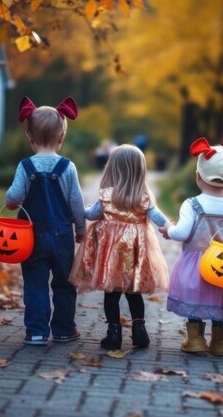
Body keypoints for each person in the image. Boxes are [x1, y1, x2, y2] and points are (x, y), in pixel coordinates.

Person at [158, 137, 223, 356]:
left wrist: (168, 230)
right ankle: (220, 343)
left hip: (198, 264)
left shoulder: (192, 204)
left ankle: (195, 339)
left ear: (198, 176)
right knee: (222, 304)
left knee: (196, 300)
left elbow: (181, 233)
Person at [70, 144, 170, 350]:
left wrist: (81, 207)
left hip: (110, 255)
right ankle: (139, 331)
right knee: (133, 291)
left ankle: (113, 333)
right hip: (134, 252)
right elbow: (157, 217)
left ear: (112, 169)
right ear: (140, 170)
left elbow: (91, 215)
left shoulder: (107, 195)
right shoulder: (143, 197)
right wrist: (170, 227)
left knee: (111, 294)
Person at [6, 96, 86, 346]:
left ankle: (37, 331)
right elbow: (76, 204)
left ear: (29, 137)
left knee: (35, 283)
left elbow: (15, 196)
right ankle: (63, 330)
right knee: (64, 284)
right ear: (61, 137)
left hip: (32, 237)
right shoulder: (68, 167)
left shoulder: (25, 166)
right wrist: (81, 229)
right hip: (62, 235)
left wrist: (10, 201)